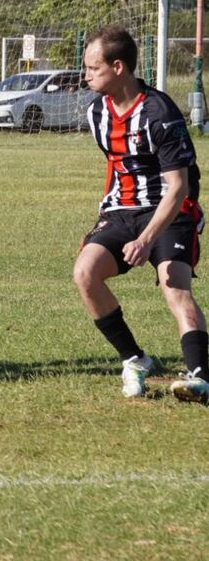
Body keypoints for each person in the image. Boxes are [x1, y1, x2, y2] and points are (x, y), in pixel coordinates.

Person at [73, 25, 209, 404]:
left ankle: (199, 377)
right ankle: (135, 359)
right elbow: (117, 166)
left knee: (174, 286)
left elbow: (178, 186)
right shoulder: (96, 112)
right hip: (121, 211)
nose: (86, 76)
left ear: (118, 67)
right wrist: (107, 215)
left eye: (92, 68)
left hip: (170, 210)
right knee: (85, 273)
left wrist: (146, 239)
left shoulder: (158, 112)